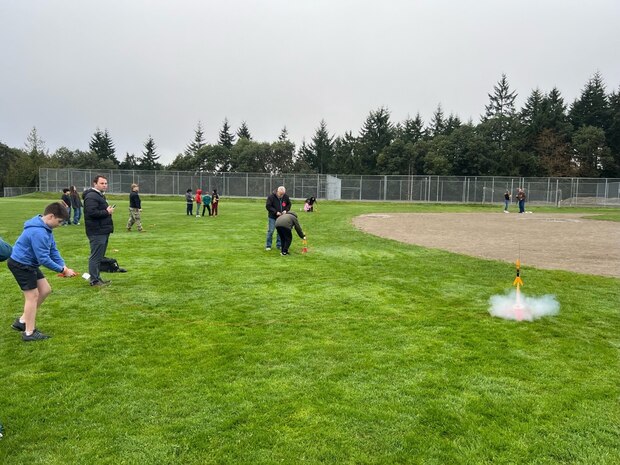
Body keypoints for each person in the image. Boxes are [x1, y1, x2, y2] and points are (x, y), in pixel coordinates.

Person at [8, 202, 77, 341]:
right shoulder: (38, 232)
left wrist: (63, 265)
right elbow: (44, 259)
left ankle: (22, 321)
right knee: (32, 296)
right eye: (59, 221)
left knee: (45, 290)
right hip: (21, 264)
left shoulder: (46, 228)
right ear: (51, 216)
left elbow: (53, 250)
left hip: (30, 264)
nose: (60, 225)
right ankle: (29, 333)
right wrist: (63, 270)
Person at [84, 175, 115, 286]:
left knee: (99, 256)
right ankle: (95, 280)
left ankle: (97, 278)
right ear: (95, 184)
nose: (105, 185)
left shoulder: (98, 195)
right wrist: (107, 212)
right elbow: (91, 213)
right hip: (97, 231)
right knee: (95, 257)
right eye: (102, 183)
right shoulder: (92, 196)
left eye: (106, 183)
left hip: (102, 230)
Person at [265, 186, 291, 251]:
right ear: (277, 191)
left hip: (282, 217)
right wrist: (275, 212)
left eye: (283, 194)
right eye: (281, 194)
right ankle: (268, 246)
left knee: (280, 231)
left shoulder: (286, 196)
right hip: (273, 217)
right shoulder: (271, 197)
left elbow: (289, 204)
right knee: (271, 231)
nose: (282, 195)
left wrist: (286, 210)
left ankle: (279, 245)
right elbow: (268, 206)